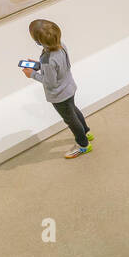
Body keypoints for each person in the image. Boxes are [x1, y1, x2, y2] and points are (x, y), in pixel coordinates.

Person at [22, 18, 93, 159]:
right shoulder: (61, 45)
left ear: (38, 41)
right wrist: (38, 65)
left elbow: (50, 83)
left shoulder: (47, 60)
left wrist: (33, 74)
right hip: (69, 87)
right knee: (73, 111)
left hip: (60, 96)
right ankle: (85, 131)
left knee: (70, 120)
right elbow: (57, 67)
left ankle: (83, 145)